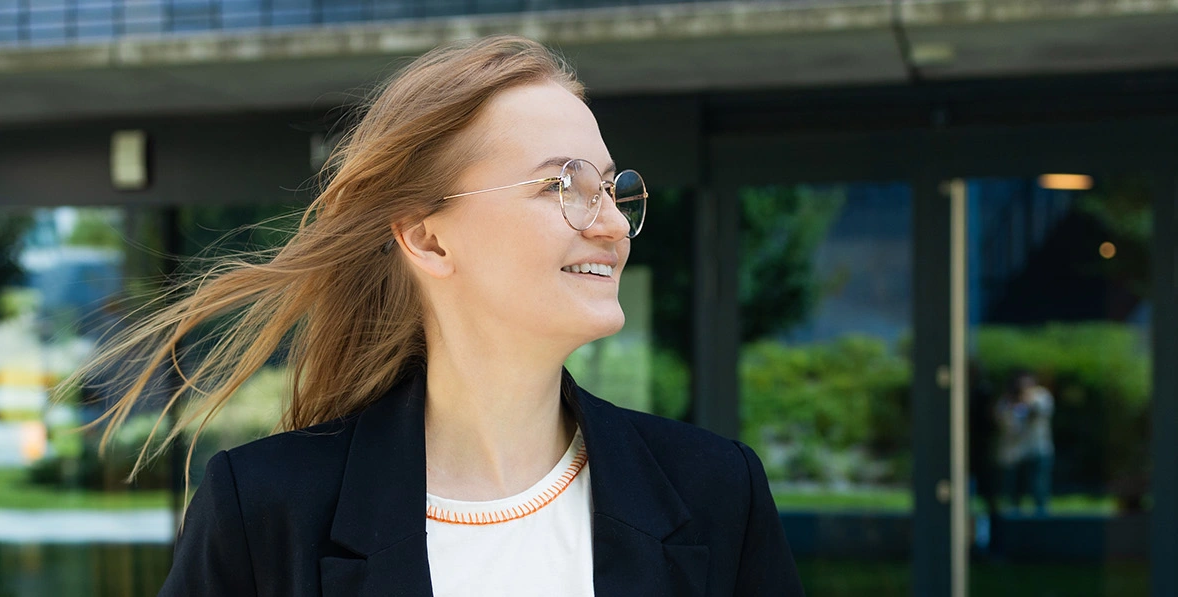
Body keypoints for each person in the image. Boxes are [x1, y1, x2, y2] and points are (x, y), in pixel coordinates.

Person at [74, 35, 802, 596]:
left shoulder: (716, 491)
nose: (611, 224)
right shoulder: (264, 510)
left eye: (612, 188)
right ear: (426, 236)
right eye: (564, 185)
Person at [994, 371, 1055, 516]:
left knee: (1039, 489)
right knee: (1014, 493)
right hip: (1015, 455)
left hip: (1038, 450)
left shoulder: (1041, 396)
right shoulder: (1007, 402)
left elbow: (1039, 412)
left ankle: (1041, 520)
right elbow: (1006, 426)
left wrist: (1026, 400)